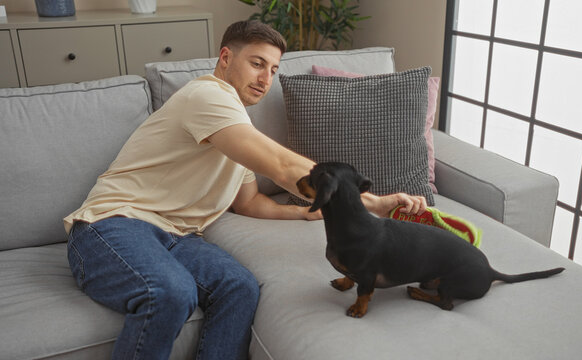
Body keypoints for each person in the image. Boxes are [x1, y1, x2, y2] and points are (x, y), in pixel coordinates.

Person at [63, 20, 428, 360]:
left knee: (239, 288)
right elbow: (284, 168)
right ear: (226, 58)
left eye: (273, 70)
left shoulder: (234, 125)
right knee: (171, 292)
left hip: (176, 237)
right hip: (110, 226)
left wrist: (307, 212)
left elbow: (251, 202)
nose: (265, 78)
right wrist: (371, 202)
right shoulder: (207, 97)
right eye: (257, 63)